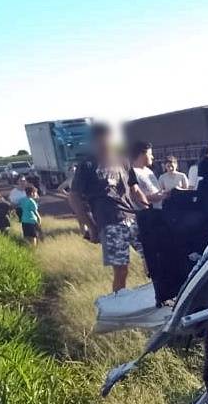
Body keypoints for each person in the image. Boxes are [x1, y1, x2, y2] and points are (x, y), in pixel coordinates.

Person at [68, 123, 144, 292]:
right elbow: (73, 197)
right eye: (101, 139)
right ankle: (119, 305)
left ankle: (159, 297)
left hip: (133, 218)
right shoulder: (87, 165)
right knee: (121, 270)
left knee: (152, 261)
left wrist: (147, 208)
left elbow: (134, 188)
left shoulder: (123, 160)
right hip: (110, 223)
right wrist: (91, 226)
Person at [128, 140, 166, 208]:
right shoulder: (131, 172)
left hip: (158, 211)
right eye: (150, 154)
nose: (152, 157)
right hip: (144, 214)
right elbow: (132, 196)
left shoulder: (149, 171)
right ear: (141, 154)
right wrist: (152, 198)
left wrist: (163, 194)